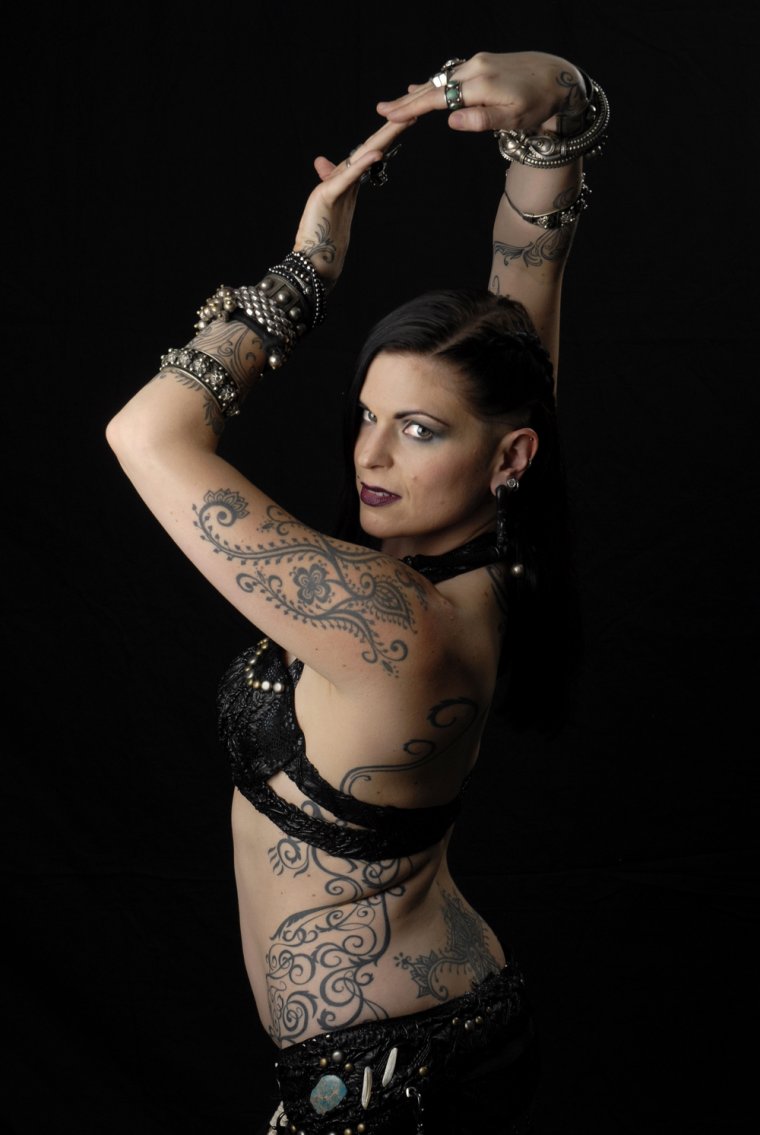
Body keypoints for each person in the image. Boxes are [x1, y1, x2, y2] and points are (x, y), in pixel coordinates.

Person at [106, 50, 608, 1135]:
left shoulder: (398, 623)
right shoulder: (492, 551)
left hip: (391, 1079)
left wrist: (308, 269)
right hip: (421, 1042)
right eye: (368, 416)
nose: (371, 456)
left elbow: (146, 432)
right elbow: (527, 285)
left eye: (418, 429)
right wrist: (555, 108)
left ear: (507, 457)